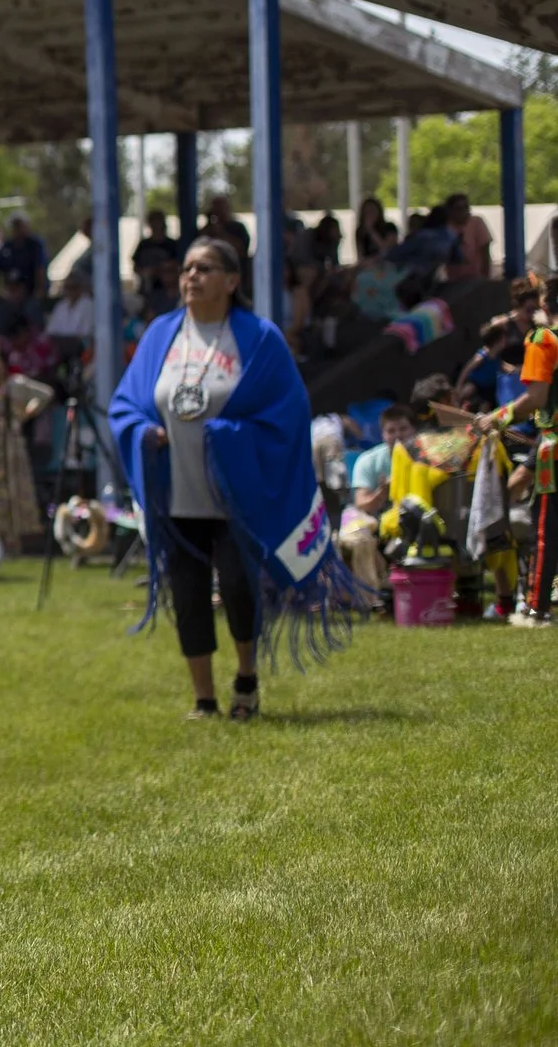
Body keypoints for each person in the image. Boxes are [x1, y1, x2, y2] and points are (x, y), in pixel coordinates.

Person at [110, 238, 355, 722]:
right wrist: (142, 431)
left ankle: (246, 677)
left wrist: (227, 435)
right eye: (186, 269)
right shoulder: (161, 334)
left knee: (240, 589)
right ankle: (203, 699)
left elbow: (288, 411)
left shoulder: (258, 338)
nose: (191, 278)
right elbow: (125, 405)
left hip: (234, 497)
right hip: (176, 496)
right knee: (188, 594)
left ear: (231, 280)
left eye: (204, 268)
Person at [485, 279, 554, 626]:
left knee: (547, 532)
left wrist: (497, 418)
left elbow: (536, 399)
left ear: (546, 304)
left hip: (554, 450)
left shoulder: (544, 340)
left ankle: (535, 608)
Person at [0, 345, 54, 555]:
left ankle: (18, 538)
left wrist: (28, 411)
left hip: (13, 444)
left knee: (17, 487)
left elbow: (45, 393)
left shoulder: (16, 384)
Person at [335, 403, 414, 608]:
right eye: (391, 430)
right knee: (359, 536)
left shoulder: (424, 456)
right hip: (373, 518)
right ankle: (371, 599)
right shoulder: (369, 461)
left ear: (414, 430)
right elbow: (362, 504)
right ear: (383, 434)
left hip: (411, 518)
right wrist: (382, 492)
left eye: (403, 429)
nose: (398, 435)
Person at [444, 194, 493, 284]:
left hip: (477, 277)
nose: (463, 212)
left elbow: (485, 252)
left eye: (465, 208)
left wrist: (485, 278)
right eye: (458, 209)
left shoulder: (477, 222)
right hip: (454, 279)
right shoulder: (446, 226)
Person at [0, 216, 46, 294]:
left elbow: (40, 269)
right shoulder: (7, 246)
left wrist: (39, 291)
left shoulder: (35, 245)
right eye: (15, 227)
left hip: (31, 292)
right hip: (11, 293)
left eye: (20, 226)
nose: (17, 230)